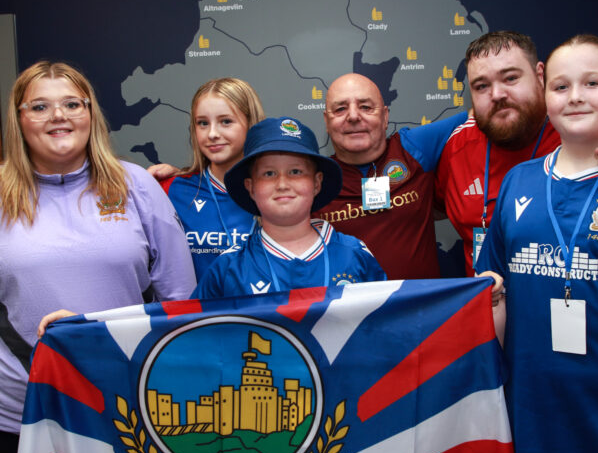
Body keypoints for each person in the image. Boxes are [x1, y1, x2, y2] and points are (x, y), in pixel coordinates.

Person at [0, 61, 196, 453]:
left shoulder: (136, 184)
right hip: (19, 413)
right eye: (39, 107)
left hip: (122, 404)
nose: (58, 115)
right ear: (19, 119)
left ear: (90, 113)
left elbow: (181, 300)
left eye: (72, 104)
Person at [476, 35, 598, 453]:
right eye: (561, 86)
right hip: (533, 413)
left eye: (592, 83)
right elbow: (493, 288)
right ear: (545, 94)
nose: (575, 97)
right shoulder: (519, 181)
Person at [436, 31, 598, 276]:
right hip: (494, 294)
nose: (497, 94)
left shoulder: (589, 119)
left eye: (511, 78)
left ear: (540, 75)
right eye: (481, 86)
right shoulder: (456, 147)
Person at [192, 116, 386, 298]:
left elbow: (388, 318)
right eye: (269, 174)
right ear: (250, 187)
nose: (282, 184)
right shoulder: (228, 268)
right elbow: (194, 323)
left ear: (316, 183)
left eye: (295, 171)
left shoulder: (354, 254)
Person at [313, 73, 468, 280]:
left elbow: (481, 114)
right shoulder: (315, 181)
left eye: (366, 107)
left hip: (422, 300)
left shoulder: (413, 149)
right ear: (326, 121)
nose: (353, 116)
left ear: (385, 116)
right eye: (340, 109)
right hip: (348, 301)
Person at [159, 78, 264, 280]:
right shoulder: (171, 189)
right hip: (195, 302)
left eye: (226, 121)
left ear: (251, 124)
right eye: (203, 123)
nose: (212, 133)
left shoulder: (277, 191)